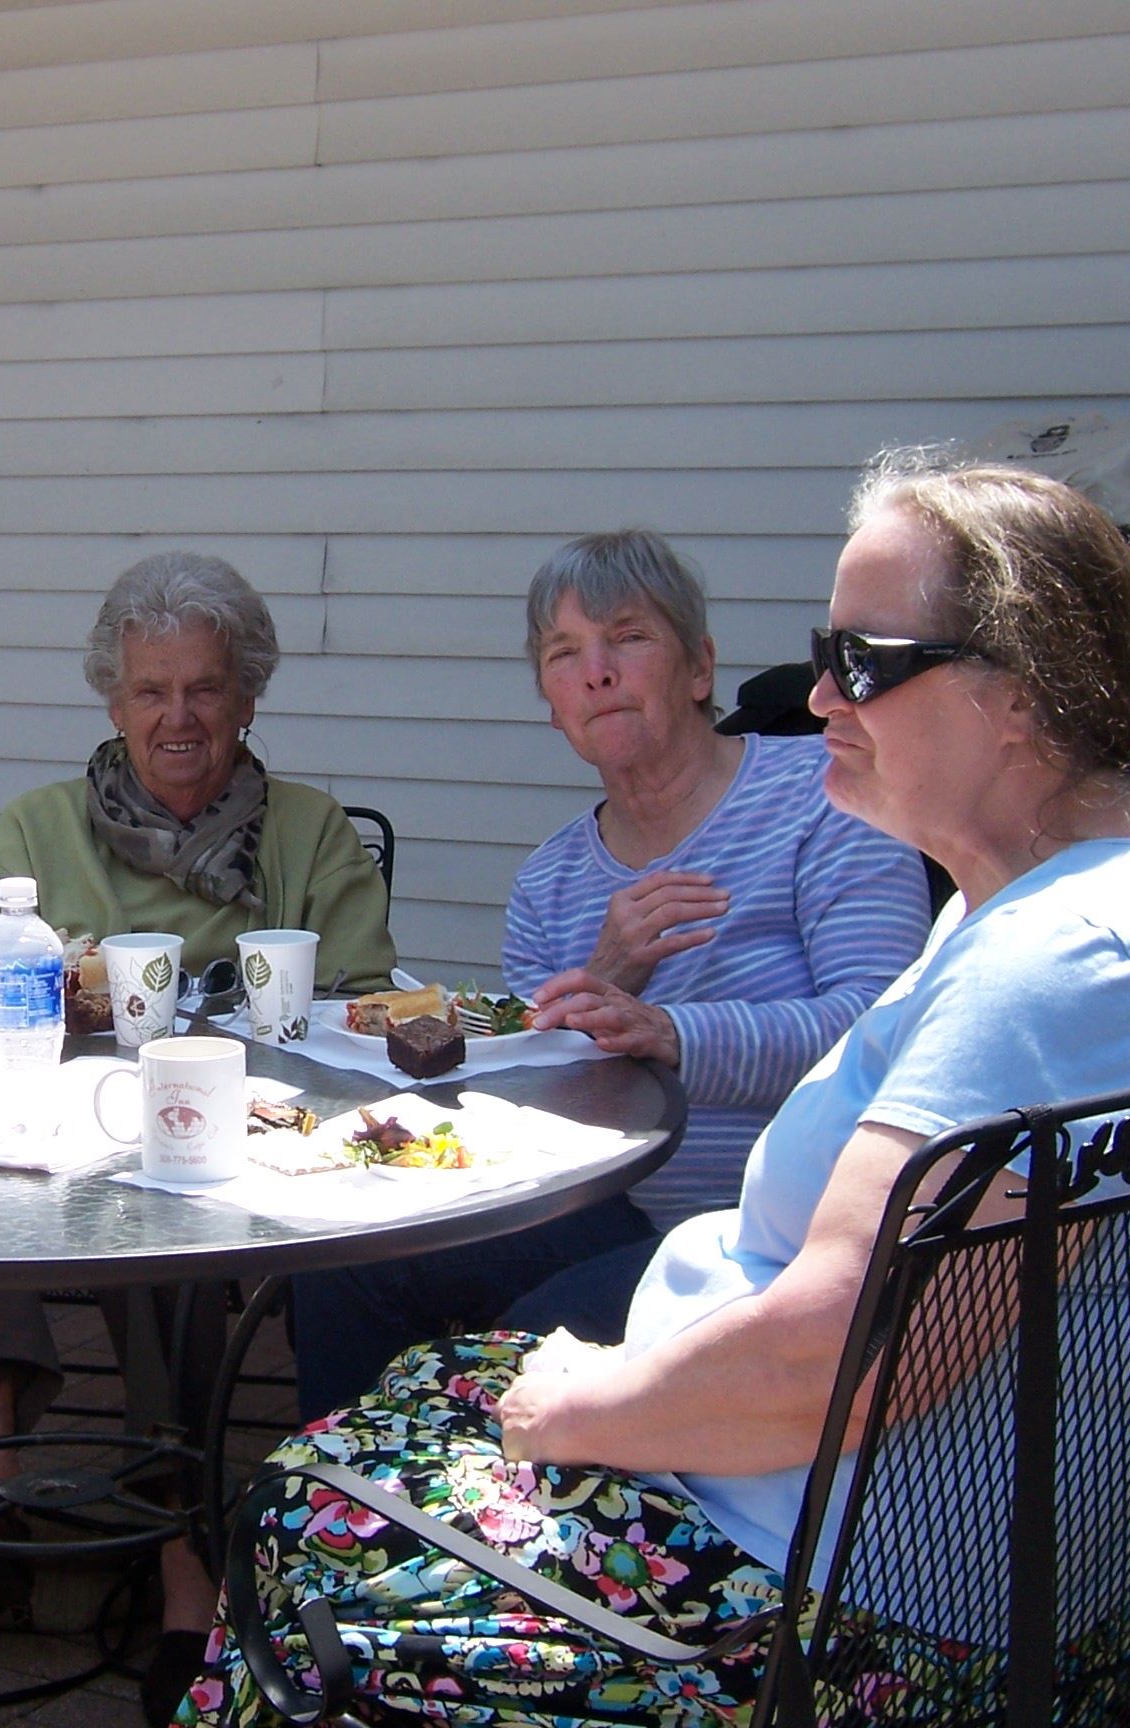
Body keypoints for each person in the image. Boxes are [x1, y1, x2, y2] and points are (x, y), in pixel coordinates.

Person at [173, 457, 1130, 1726]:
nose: (818, 697)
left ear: (1017, 695)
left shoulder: (1052, 958)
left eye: (866, 661)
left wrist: (583, 1408)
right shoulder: (1021, 914)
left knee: (299, 1519)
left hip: (813, 1592)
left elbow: (845, 1357)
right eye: (818, 652)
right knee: (377, 1335)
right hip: (808, 1480)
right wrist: (608, 981)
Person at [0, 550, 396, 1719]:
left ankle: (178, 1558)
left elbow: (361, 1006)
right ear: (113, 702)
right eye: (151, 691)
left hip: (230, 1142)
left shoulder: (307, 834)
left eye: (205, 689)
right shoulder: (38, 827)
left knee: (162, 1199)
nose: (178, 717)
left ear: (247, 699)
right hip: (50, 1127)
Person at [290, 530, 930, 1416]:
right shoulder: (550, 880)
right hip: (602, 1214)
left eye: (628, 638)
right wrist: (608, 968)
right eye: (565, 653)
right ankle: (327, 1518)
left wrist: (670, 1033)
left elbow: (883, 1026)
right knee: (347, 1269)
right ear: (552, 703)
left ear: (699, 668)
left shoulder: (825, 797)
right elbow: (518, 1109)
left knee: (521, 1342)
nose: (596, 672)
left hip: (777, 1242)